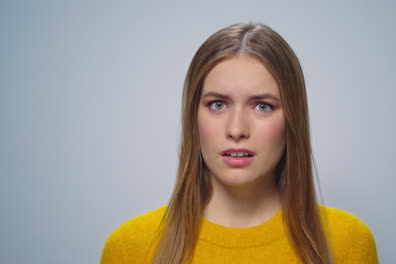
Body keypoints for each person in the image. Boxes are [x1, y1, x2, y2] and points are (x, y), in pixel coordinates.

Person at [100, 22, 379, 264]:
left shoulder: (348, 242)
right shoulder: (129, 247)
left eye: (262, 106)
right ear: (192, 117)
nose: (236, 129)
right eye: (218, 104)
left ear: (292, 119)